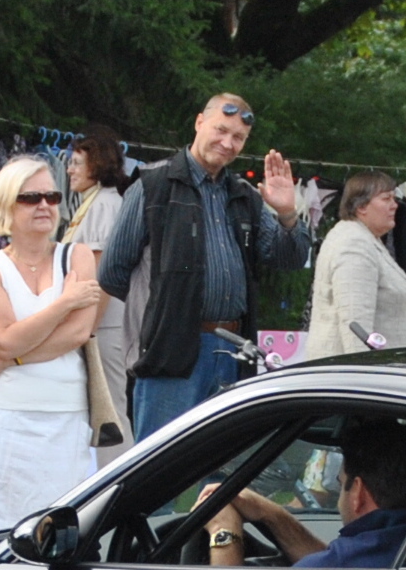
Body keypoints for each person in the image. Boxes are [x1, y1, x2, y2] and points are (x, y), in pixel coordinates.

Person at [98, 92, 308, 440]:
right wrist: (163, 313)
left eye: (238, 137)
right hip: (170, 354)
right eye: (220, 130)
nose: (227, 143)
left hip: (234, 352)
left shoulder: (244, 195)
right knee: (163, 463)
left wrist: (287, 212)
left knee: (220, 465)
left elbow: (290, 258)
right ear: (199, 122)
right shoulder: (153, 185)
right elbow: (112, 272)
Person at [0, 155, 105, 534]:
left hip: (64, 417)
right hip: (4, 420)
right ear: (6, 205)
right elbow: (4, 339)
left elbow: (78, 333)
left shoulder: (77, 255)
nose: (44, 206)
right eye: (30, 198)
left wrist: (8, 359)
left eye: (52, 196)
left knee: (55, 532)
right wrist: (64, 303)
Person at [203, 416, 406, 569]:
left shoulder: (352, 562)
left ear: (358, 492)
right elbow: (332, 564)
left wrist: (224, 532)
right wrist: (270, 514)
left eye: (340, 484)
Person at [60, 127, 133, 444]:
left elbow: (100, 273)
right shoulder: (93, 201)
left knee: (109, 412)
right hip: (97, 322)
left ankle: (123, 471)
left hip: (102, 324)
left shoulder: (104, 203)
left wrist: (86, 328)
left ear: (97, 164)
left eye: (77, 163)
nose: (69, 170)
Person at [302, 171, 406, 360]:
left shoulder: (364, 238)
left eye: (394, 198)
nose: (395, 205)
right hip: (356, 373)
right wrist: (362, 373)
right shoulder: (354, 244)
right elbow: (356, 327)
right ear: (361, 206)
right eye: (386, 199)